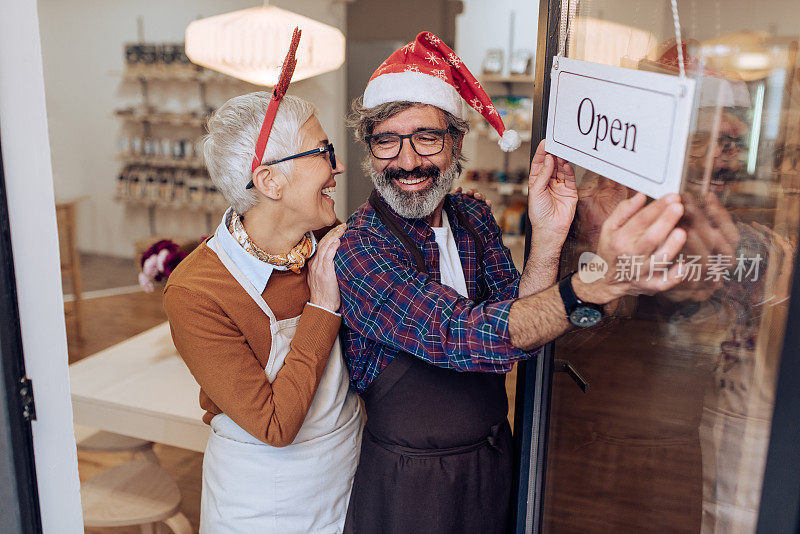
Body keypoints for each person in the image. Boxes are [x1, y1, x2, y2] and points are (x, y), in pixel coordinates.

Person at [335, 31, 689, 533]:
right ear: (371, 150)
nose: (407, 161)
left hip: (494, 460)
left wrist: (546, 237)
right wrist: (587, 287)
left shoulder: (472, 216)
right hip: (410, 486)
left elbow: (522, 328)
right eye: (386, 141)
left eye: (426, 138)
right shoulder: (361, 249)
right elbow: (460, 335)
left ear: (457, 142)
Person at [163, 31, 362, 533]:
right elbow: (275, 426)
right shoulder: (197, 292)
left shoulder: (330, 239)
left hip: (347, 475)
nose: (338, 166)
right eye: (322, 152)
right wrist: (321, 309)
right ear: (269, 181)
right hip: (261, 500)